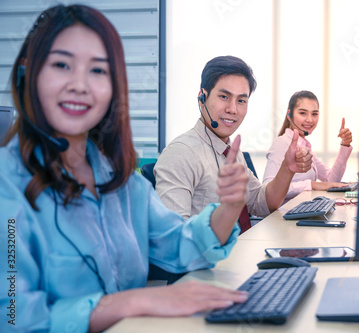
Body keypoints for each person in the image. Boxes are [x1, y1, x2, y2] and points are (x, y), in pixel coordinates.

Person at [0, 5, 250, 332]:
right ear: (27, 75)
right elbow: (13, 317)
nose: (80, 85)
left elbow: (181, 244)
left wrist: (231, 206)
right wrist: (134, 302)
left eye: (98, 70)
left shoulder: (117, 178)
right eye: (62, 65)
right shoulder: (7, 184)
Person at [154, 56, 313, 228]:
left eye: (241, 101)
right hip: (213, 255)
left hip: (243, 250)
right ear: (202, 98)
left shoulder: (231, 152)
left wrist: (287, 168)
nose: (232, 109)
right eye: (224, 96)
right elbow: (171, 235)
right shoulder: (181, 153)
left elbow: (261, 203)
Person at [263, 90, 353, 201]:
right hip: (282, 215)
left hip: (302, 211)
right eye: (303, 113)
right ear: (289, 115)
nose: (310, 120)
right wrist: (311, 185)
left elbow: (331, 181)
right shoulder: (282, 143)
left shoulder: (305, 146)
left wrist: (345, 144)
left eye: (314, 114)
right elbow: (268, 190)